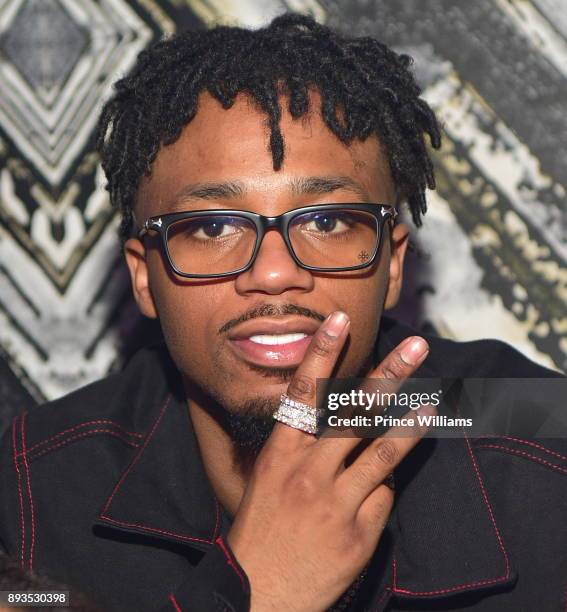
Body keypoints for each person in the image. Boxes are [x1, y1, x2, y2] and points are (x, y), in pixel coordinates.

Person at [0, 13, 565, 612]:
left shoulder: (541, 440)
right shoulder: (36, 493)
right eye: (213, 226)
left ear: (394, 265)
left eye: (327, 221)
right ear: (144, 276)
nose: (274, 273)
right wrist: (257, 593)